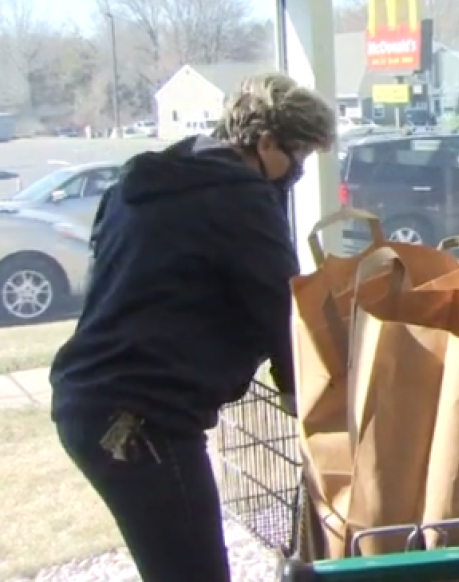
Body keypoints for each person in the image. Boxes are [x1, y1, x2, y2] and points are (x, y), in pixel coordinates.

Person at [49, 73, 335, 582]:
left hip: (88, 399)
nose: (296, 173)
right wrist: (304, 391)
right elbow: (279, 300)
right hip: (143, 417)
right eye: (298, 157)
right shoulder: (239, 194)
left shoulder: (145, 180)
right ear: (266, 142)